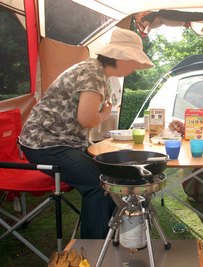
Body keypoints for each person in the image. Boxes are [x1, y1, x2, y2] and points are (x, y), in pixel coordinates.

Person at [18, 27, 154, 239]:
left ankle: (113, 236)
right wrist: (104, 113)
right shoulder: (92, 74)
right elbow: (87, 119)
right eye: (134, 62)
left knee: (113, 177)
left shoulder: (97, 72)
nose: (135, 68)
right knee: (99, 186)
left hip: (64, 142)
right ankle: (95, 248)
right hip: (45, 144)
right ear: (119, 57)